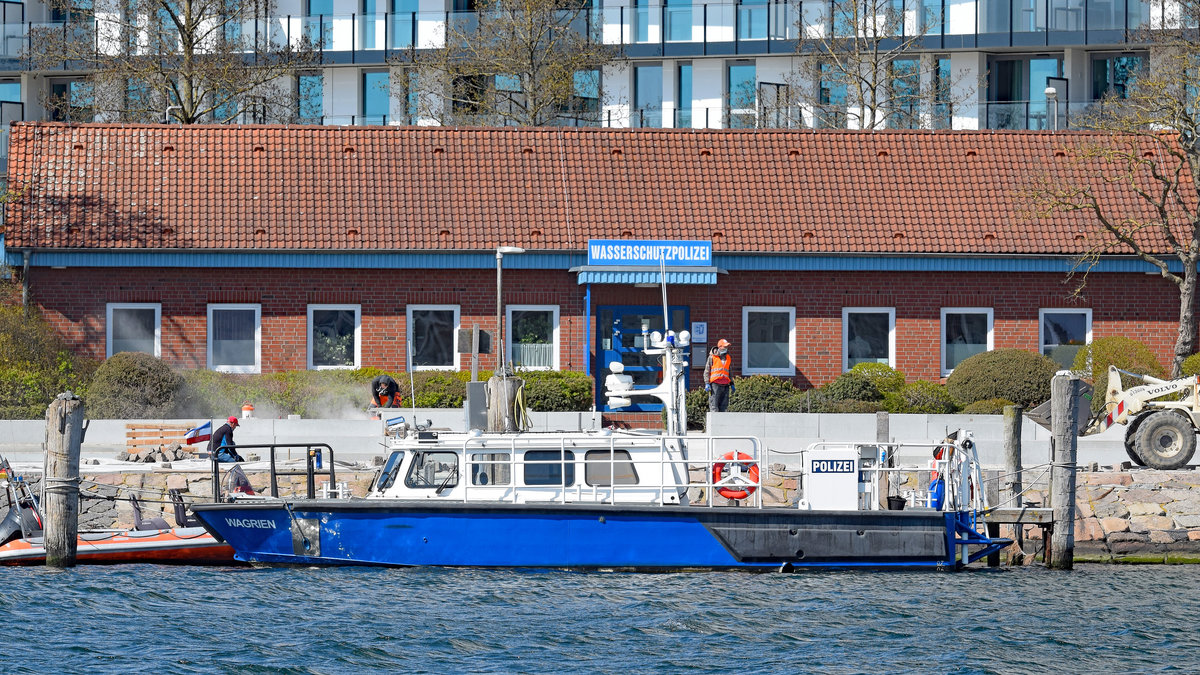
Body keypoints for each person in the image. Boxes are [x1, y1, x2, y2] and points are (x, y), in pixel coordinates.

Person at [703, 338, 735, 413]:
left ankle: (722, 423)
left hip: (726, 385)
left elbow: (729, 371)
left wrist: (732, 383)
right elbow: (707, 371)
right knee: (714, 405)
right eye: (725, 347)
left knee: (724, 406)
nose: (726, 348)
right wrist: (707, 383)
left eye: (727, 347)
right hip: (715, 385)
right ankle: (714, 423)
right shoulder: (712, 357)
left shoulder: (728, 358)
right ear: (720, 347)